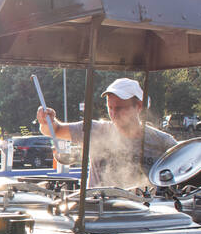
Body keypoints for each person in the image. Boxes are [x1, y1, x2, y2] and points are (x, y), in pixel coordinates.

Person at [35, 77, 177, 187]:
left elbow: (186, 168)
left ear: (139, 106)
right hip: (99, 213)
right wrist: (45, 120)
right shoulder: (94, 130)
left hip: (144, 214)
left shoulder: (162, 142)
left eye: (120, 108)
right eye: (110, 107)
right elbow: (55, 130)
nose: (114, 114)